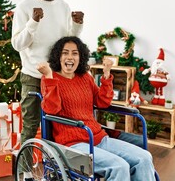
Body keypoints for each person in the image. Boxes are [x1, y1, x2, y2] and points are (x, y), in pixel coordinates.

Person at [37, 36, 156, 181]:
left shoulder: (85, 78)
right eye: (65, 52)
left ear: (80, 57)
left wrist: (106, 74)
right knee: (119, 167)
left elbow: (102, 102)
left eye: (75, 53)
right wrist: (49, 76)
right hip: (73, 144)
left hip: (98, 137)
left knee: (144, 158)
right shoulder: (50, 78)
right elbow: (51, 109)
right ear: (58, 56)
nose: (70, 57)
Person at [11, 0, 84, 151]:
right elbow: (17, 44)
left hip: (57, 77)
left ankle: (52, 170)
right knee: (30, 126)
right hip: (33, 77)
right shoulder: (24, 7)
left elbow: (68, 42)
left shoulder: (63, 7)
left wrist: (77, 25)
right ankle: (23, 173)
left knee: (56, 127)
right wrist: (33, 22)